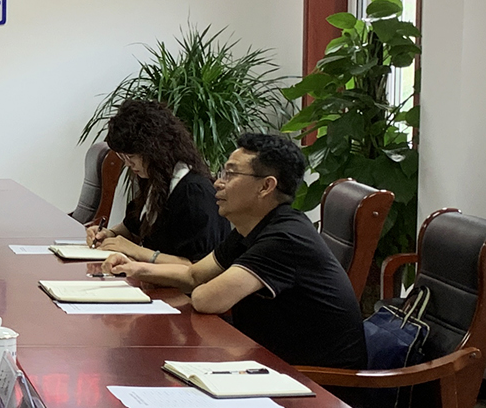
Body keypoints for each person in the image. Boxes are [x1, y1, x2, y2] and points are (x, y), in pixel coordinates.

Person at [105, 132, 367, 370]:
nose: (218, 183)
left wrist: (201, 285)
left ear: (266, 186)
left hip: (318, 383)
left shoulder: (285, 238)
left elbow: (207, 299)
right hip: (269, 362)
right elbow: (194, 275)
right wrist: (134, 267)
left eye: (230, 175)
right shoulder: (250, 228)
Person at [84, 100, 227, 263]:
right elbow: (132, 229)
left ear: (155, 150)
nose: (128, 164)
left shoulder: (193, 193)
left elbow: (197, 267)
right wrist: (109, 235)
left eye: (131, 157)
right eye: (122, 157)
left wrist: (137, 252)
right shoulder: (155, 181)